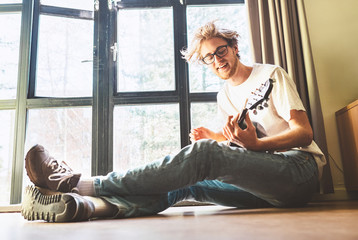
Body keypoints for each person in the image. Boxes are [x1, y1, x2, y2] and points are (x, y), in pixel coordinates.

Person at [21, 21, 326, 222]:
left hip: (299, 171)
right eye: (209, 57)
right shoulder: (225, 96)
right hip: (264, 186)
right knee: (187, 182)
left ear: (234, 48)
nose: (218, 59)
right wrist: (218, 138)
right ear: (206, 63)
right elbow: (243, 147)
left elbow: (303, 132)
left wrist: (245, 145)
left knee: (204, 155)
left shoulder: (270, 74)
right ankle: (84, 207)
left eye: (221, 50)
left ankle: (80, 183)